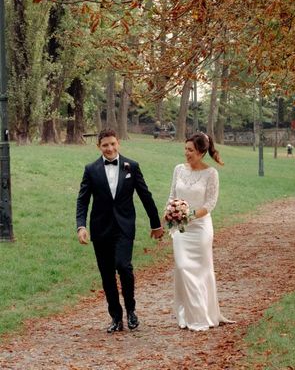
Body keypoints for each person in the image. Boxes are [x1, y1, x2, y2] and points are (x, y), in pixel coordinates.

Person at [76, 129, 164, 333]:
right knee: (107, 274)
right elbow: (82, 200)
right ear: (99, 146)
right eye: (105, 145)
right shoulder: (91, 169)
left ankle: (131, 310)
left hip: (124, 227)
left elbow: (145, 195)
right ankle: (116, 317)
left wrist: (155, 224)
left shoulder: (131, 166)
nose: (110, 148)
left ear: (118, 144)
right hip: (100, 229)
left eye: (113, 144)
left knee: (124, 266)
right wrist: (81, 226)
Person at [167, 132, 234, 331]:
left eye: (191, 150)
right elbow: (172, 195)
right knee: (182, 267)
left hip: (201, 227)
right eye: (185, 149)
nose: (186, 153)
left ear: (202, 152)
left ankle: (203, 315)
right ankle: (186, 314)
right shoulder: (178, 169)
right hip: (181, 228)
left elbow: (211, 203)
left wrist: (190, 215)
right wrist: (170, 213)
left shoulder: (211, 173)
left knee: (202, 270)